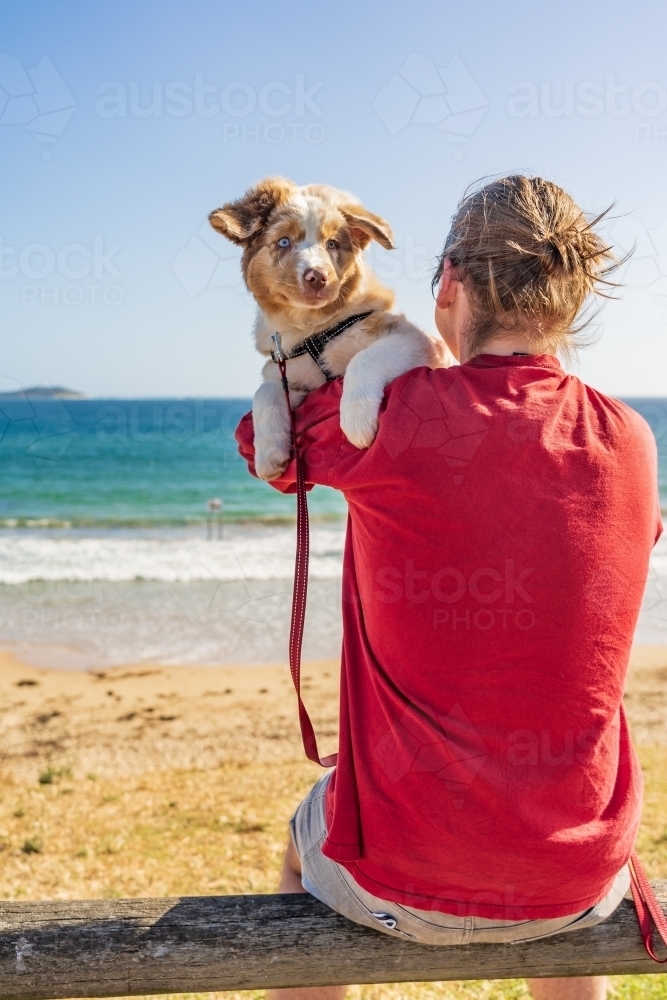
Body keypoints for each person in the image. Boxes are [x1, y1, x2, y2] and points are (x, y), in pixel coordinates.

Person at [236, 175, 662, 1000]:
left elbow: (264, 439)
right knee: (558, 878)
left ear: (449, 288)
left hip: (402, 874)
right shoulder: (631, 437)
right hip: (578, 874)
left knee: (303, 841)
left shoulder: (401, 413)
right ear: (568, 298)